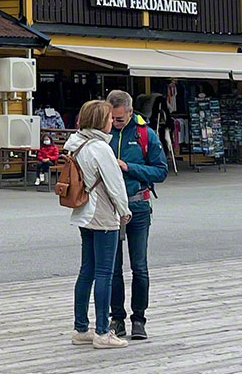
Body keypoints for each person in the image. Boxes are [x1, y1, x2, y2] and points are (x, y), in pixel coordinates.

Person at [64, 100, 131, 350]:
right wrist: (124, 211)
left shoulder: (77, 144)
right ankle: (103, 332)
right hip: (102, 213)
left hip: (84, 212)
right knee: (104, 272)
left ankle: (81, 328)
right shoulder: (101, 148)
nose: (112, 121)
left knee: (87, 271)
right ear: (100, 121)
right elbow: (115, 185)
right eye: (109, 118)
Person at [106, 89, 168, 342]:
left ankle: (139, 319)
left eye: (119, 119)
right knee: (112, 268)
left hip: (138, 206)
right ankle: (117, 318)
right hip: (109, 208)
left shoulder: (145, 134)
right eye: (111, 118)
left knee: (139, 267)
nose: (114, 123)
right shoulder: (103, 133)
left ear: (131, 112)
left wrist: (128, 167)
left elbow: (161, 171)